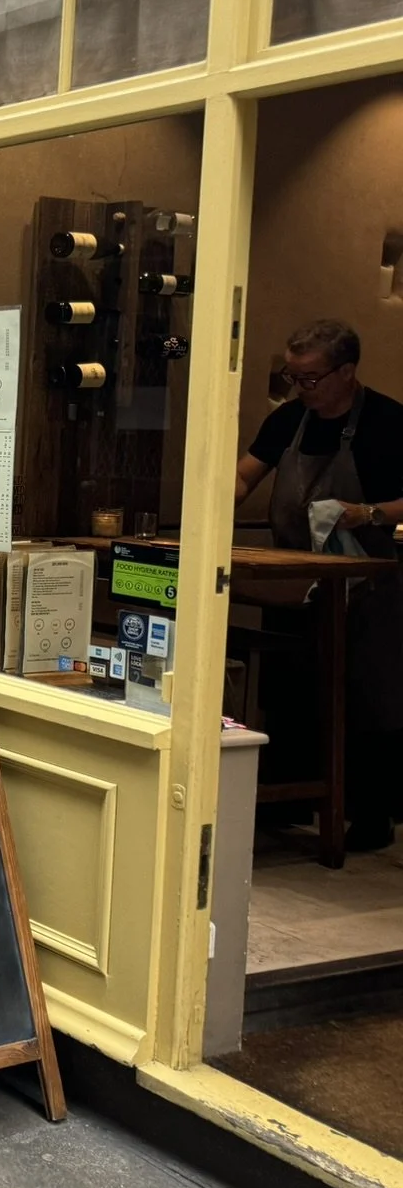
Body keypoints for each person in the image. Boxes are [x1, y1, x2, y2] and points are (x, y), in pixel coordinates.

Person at [236, 319, 403, 849]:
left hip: (369, 579)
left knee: (367, 694)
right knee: (291, 687)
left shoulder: (387, 421)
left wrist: (369, 512)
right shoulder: (289, 420)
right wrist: (214, 508)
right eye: (293, 376)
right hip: (295, 575)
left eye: (310, 378)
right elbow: (245, 475)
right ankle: (295, 799)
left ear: (346, 371)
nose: (299, 388)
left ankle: (370, 815)